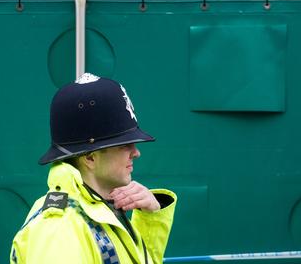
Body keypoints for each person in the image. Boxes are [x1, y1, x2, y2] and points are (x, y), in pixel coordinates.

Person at [10, 73, 177, 264]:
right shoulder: (60, 230)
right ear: (89, 157)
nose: (136, 152)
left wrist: (150, 219)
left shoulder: (96, 210)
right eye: (124, 144)